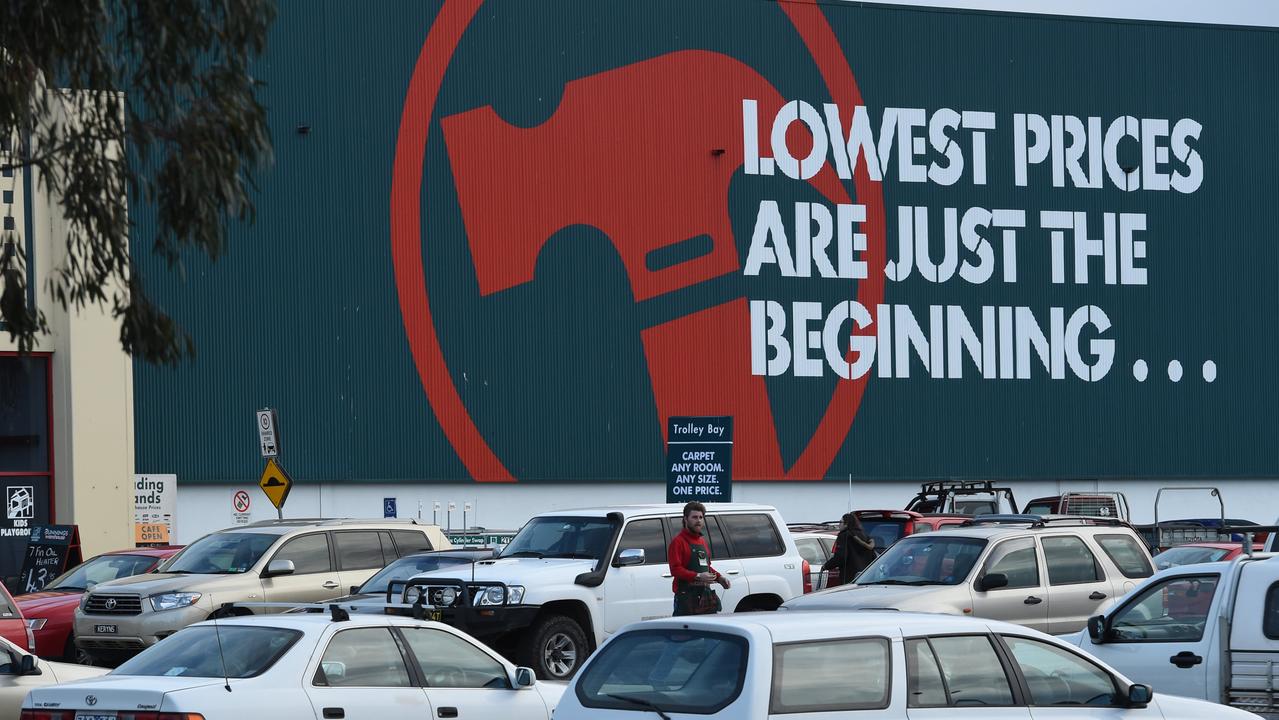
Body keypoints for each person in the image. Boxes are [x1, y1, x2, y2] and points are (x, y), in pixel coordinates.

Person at [667, 501, 730, 615]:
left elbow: (706, 567)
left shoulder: (702, 541)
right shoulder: (678, 542)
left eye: (701, 517)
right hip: (686, 597)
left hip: (705, 596)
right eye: (694, 517)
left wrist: (720, 579)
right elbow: (675, 569)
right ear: (685, 519)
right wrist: (698, 576)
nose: (698, 520)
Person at [822, 512, 876, 586]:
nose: (839, 524)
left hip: (849, 578)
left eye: (841, 522)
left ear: (846, 524)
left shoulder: (844, 536)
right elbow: (873, 557)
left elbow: (840, 557)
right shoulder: (866, 536)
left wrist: (826, 566)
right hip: (865, 578)